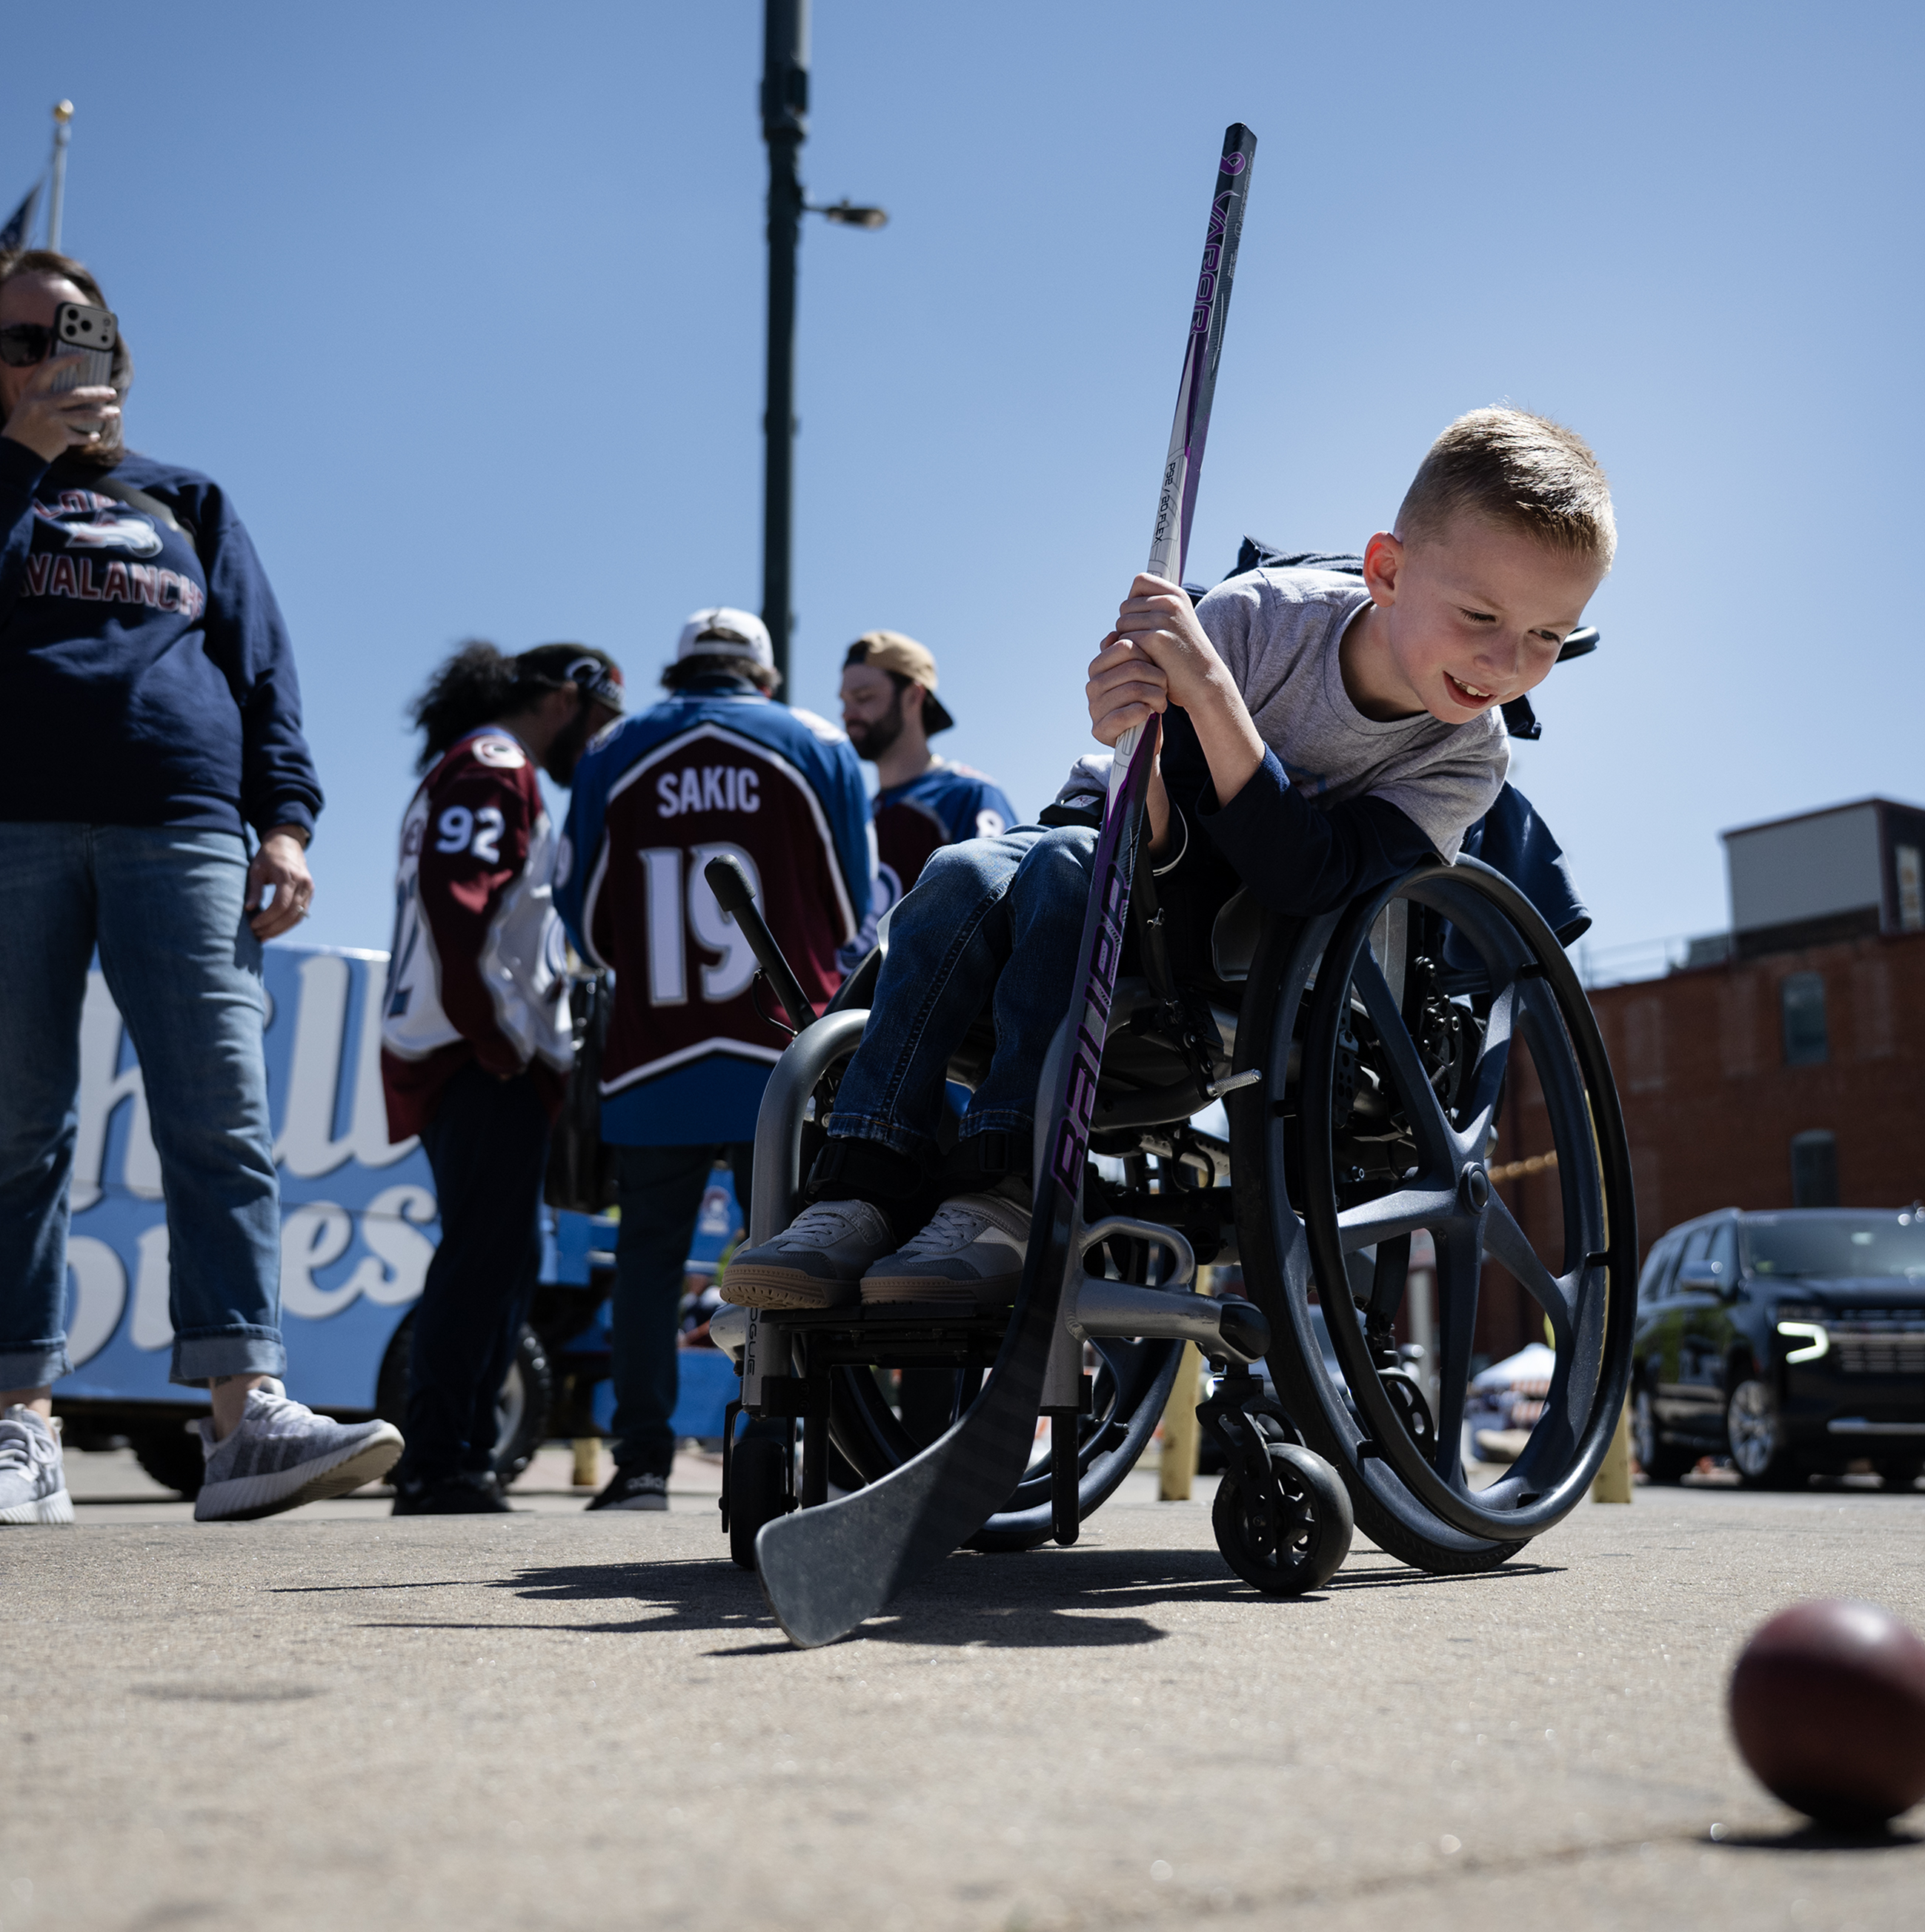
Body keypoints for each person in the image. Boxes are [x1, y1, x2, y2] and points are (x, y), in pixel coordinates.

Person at [723, 408, 1614, 1310]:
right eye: (1480, 615)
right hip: (1118, 825)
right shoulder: (1258, 619)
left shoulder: (1468, 759)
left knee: (1064, 873)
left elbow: (1306, 877)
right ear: (1386, 570)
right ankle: (860, 1182)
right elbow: (1139, 813)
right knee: (959, 873)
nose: (1505, 661)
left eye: (1548, 636)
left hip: (1230, 927)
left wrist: (1210, 693)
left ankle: (1004, 1191)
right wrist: (1136, 721)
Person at [0, 246, 400, 1527]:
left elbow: (263, 672)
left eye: (80, 332)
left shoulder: (190, 500)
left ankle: (245, 1417)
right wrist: (19, 460)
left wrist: (286, 825)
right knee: (19, 1135)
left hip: (181, 824)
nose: (56, 355)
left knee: (220, 1112)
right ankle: (24, 1431)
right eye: (24, 340)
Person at [553, 608, 874, 1508]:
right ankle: (778, 1438)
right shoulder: (815, 742)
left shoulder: (614, 748)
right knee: (793, 1252)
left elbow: (582, 919)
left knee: (649, 1262)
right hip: (782, 1048)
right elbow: (850, 908)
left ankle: (642, 1462)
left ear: (680, 668)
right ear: (762, 675)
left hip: (653, 1052)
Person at [379, 640, 625, 1515]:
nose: (598, 743)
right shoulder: (494, 762)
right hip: (476, 1054)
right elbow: (458, 906)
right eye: (600, 721)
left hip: (470, 1049)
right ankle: (439, 1460)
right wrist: (494, 1038)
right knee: (483, 1259)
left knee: (503, 1258)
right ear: (565, 699)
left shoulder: (477, 764)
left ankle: (462, 1454)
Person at [838, 630, 1017, 955]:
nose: (847, 714)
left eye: (863, 698)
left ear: (913, 696)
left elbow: (999, 919)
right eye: (844, 701)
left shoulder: (968, 796)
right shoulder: (862, 814)